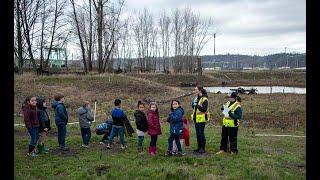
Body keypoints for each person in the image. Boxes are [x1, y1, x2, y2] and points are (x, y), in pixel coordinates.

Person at [191, 85, 210, 154]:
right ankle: (199, 147)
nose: (194, 91)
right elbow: (193, 107)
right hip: (196, 118)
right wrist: (193, 104)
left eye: (195, 90)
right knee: (198, 133)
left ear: (200, 90)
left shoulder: (204, 99)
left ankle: (203, 148)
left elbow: (204, 109)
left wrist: (197, 105)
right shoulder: (196, 98)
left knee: (201, 133)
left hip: (202, 119)